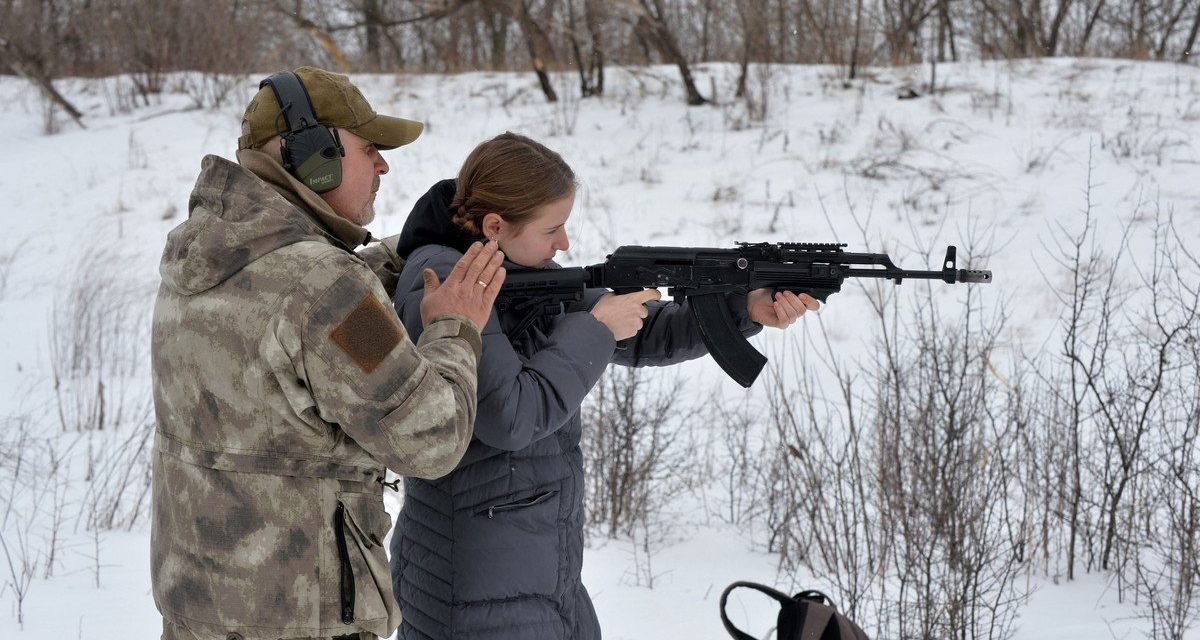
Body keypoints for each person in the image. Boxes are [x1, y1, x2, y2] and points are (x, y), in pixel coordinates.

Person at [387, 132, 820, 640]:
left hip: (534, 568)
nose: (565, 243)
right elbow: (511, 415)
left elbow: (638, 331)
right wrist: (596, 329)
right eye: (554, 228)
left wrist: (743, 309)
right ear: (495, 225)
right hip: (478, 582)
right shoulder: (447, 281)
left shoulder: (513, 266)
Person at [150, 67, 507, 640]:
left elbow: (291, 322)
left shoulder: (209, 254)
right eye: (370, 150)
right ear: (316, 156)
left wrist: (398, 256)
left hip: (203, 609)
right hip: (302, 617)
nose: (383, 167)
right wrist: (455, 329)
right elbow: (431, 436)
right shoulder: (326, 288)